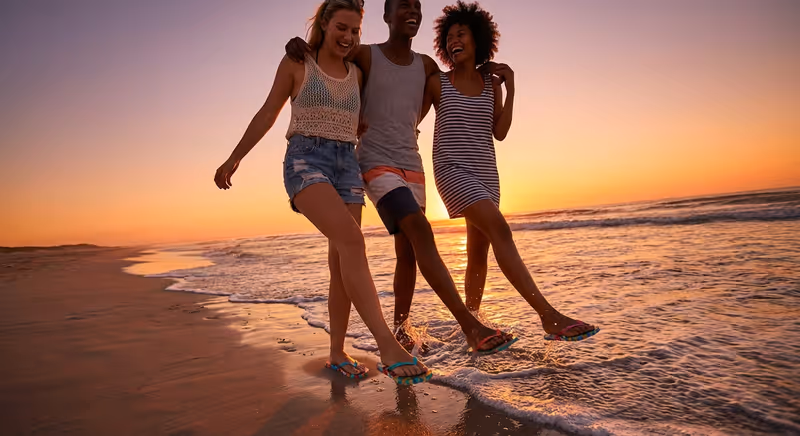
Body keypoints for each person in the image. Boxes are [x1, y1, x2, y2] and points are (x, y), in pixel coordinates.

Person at [214, 0, 432, 385]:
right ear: (324, 25)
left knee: (340, 261)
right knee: (352, 239)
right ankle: (386, 344)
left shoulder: (356, 73)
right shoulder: (299, 62)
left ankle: (336, 350)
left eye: (355, 31)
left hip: (347, 163)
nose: (348, 37)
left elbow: (373, 111)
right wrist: (234, 158)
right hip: (305, 161)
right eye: (341, 28)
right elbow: (268, 112)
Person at [286, 0, 517, 356]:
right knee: (421, 230)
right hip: (374, 162)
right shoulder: (365, 54)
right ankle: (469, 326)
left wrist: (487, 72)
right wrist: (300, 45)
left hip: (412, 163)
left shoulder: (425, 65)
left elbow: (441, 93)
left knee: (407, 251)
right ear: (386, 16)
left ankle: (401, 329)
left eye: (417, 6)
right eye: (403, 6)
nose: (412, 11)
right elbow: (331, 55)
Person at [421, 1, 599, 342]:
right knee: (501, 230)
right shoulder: (437, 83)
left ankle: (473, 330)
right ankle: (549, 316)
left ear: (478, 41)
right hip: (452, 170)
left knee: (478, 255)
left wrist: (511, 86)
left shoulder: (492, 84)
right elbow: (409, 119)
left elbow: (499, 132)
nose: (454, 40)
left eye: (462, 33)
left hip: (487, 173)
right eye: (449, 36)